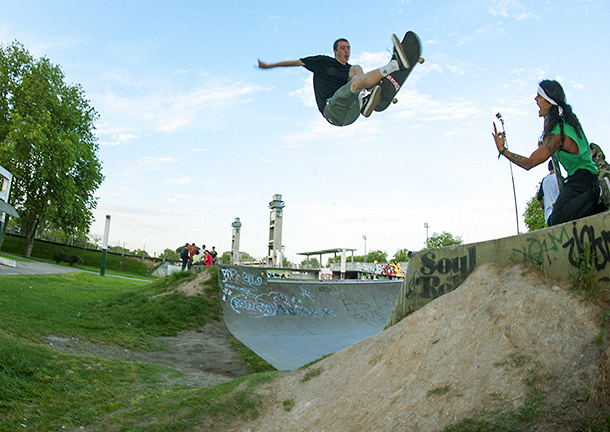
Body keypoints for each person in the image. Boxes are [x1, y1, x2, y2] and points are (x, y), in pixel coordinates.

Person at [492, 79, 610, 226]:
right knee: (576, 215)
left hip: (582, 178)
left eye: (539, 96)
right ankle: (599, 206)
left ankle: (600, 191)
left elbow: (529, 163)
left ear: (548, 101)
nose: (535, 99)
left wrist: (503, 150)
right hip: (583, 177)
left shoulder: (557, 136)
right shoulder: (565, 124)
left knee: (556, 219)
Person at [258, 34, 412, 126]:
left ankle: (367, 101)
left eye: (349, 48)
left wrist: (384, 91)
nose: (347, 51)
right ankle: (393, 66)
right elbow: (295, 63)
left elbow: (362, 81)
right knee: (356, 81)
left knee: (356, 71)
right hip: (332, 112)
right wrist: (270, 65)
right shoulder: (323, 62)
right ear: (335, 51)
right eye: (343, 48)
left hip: (352, 112)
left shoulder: (350, 69)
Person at [537, 160, 561, 224]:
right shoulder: (559, 178)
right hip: (559, 212)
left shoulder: (544, 180)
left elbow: (539, 198)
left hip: (548, 214)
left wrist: (543, 207)